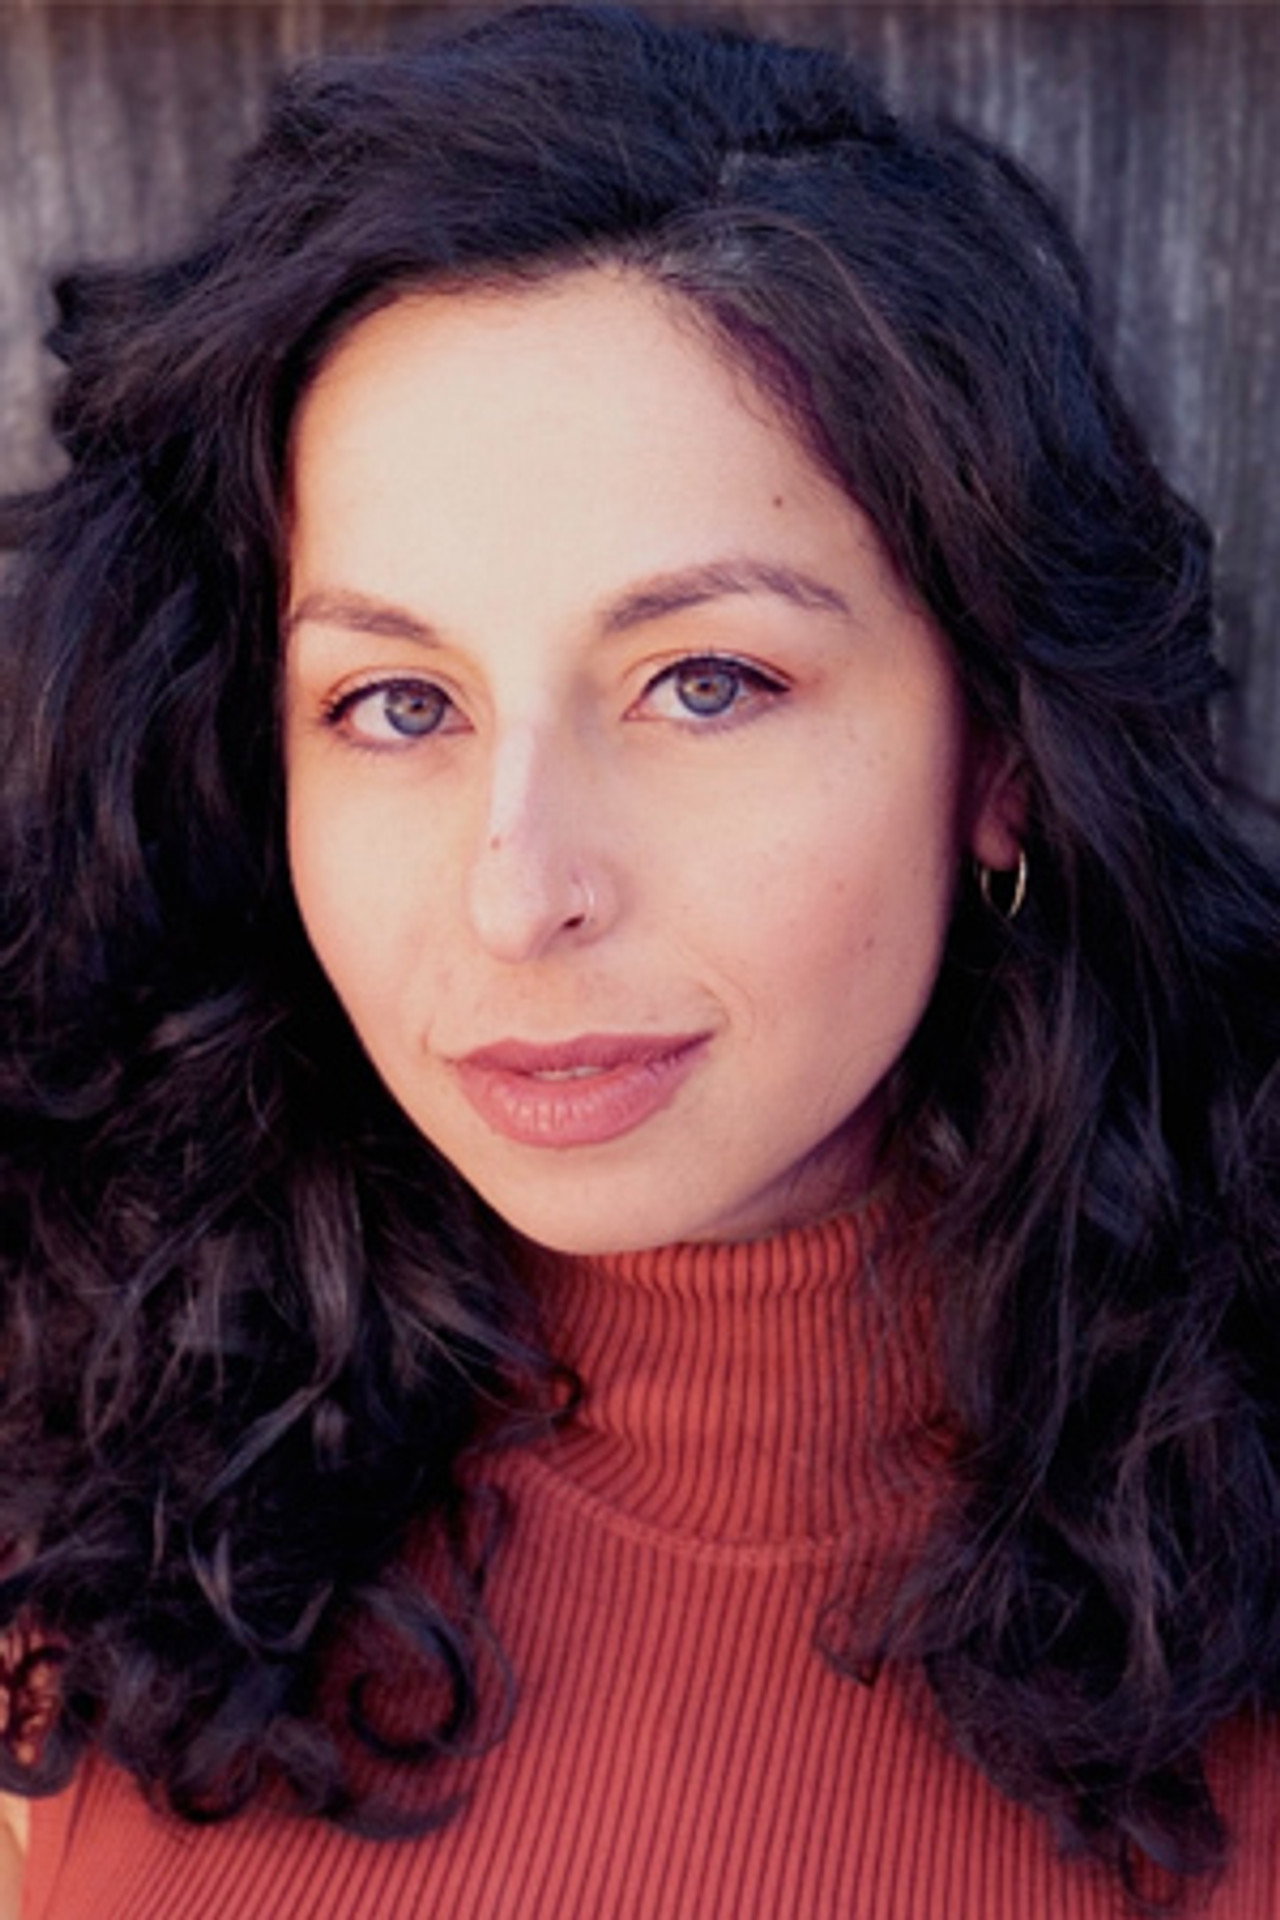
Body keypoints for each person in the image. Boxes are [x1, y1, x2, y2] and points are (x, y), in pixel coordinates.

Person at [1, 4, 1277, 1914]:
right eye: (397, 701)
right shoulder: (79, 1484)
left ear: (1003, 750)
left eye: (706, 683)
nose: (520, 894)